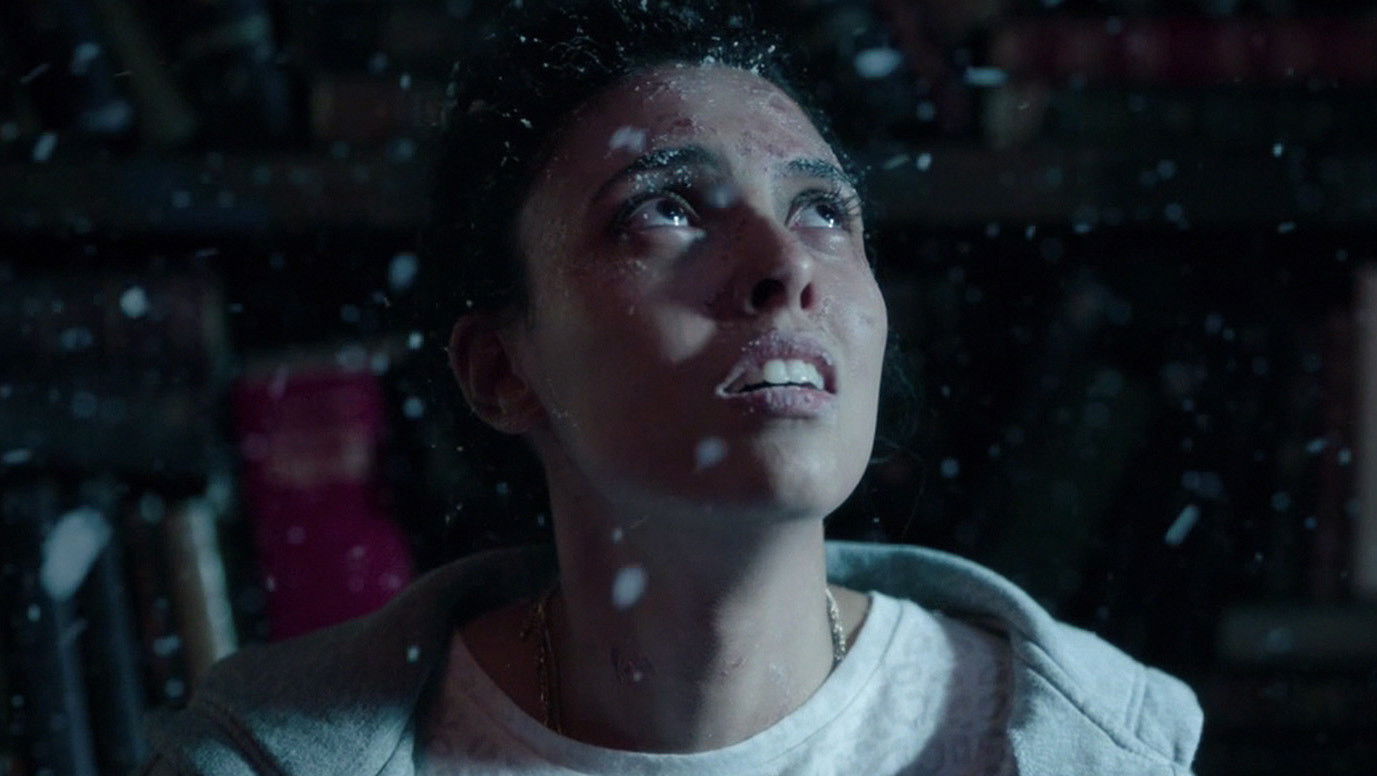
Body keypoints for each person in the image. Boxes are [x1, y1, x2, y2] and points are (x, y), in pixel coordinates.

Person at [140, 1, 1203, 773]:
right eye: (665, 208)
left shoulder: (1092, 745)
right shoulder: (273, 756)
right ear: (502, 370)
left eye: (823, 209)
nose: (785, 265)